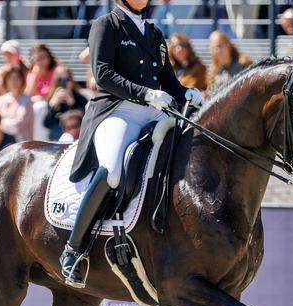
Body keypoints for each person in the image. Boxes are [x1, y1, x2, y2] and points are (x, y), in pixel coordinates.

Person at [60, 0, 202, 287]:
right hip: (118, 111)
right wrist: (146, 94)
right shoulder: (106, 25)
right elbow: (104, 75)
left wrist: (187, 93)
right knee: (112, 171)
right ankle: (73, 249)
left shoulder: (154, 33)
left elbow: (167, 81)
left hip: (154, 110)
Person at [26, 44, 62, 140]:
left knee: (40, 106)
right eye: (37, 59)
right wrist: (35, 76)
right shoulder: (33, 72)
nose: (40, 61)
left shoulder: (56, 70)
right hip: (37, 107)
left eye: (43, 57)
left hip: (53, 107)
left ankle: (39, 141)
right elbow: (27, 96)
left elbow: (50, 95)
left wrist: (41, 99)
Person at [43, 68, 88, 141]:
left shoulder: (80, 99)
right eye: (60, 80)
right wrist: (52, 107)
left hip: (77, 135)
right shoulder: (52, 98)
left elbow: (84, 121)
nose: (64, 83)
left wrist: (72, 104)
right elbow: (46, 124)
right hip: (58, 134)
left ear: (72, 81)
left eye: (67, 79)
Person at [0, 65, 34, 142]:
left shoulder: (27, 101)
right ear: (5, 81)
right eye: (10, 78)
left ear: (22, 80)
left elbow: (17, 127)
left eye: (17, 78)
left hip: (21, 143)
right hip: (1, 142)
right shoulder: (0, 100)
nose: (14, 81)